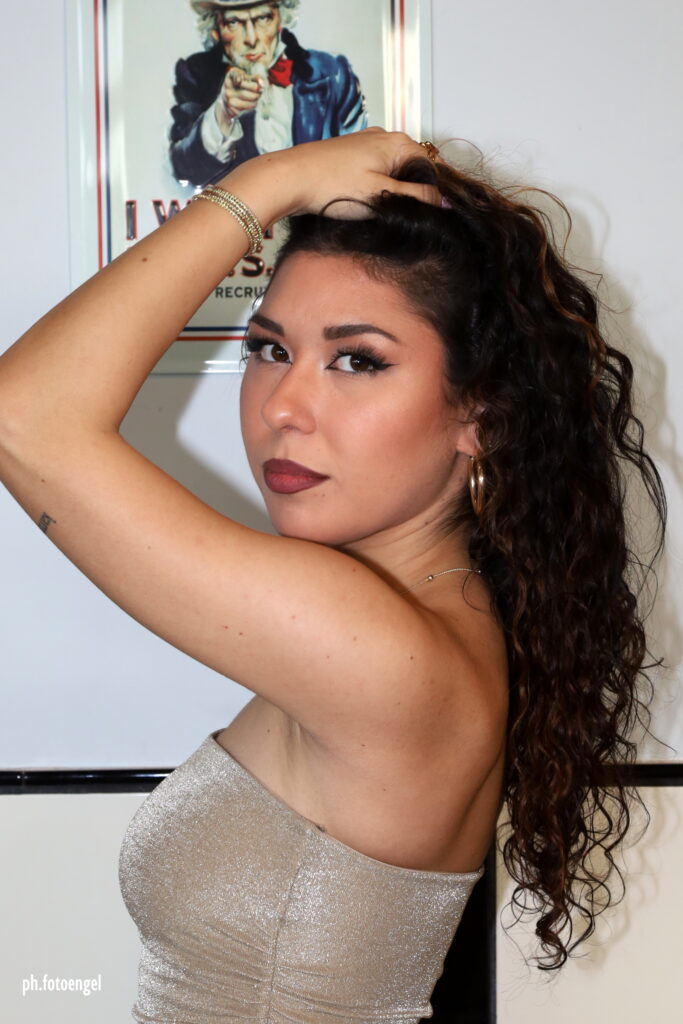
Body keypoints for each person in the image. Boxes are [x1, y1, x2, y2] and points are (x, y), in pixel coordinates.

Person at [0, 129, 666, 1020]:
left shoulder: (376, 645)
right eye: (270, 349)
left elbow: (23, 418)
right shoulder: (420, 614)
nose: (284, 407)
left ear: (480, 413)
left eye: (357, 360)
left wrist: (266, 182)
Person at [170, 0, 368, 186]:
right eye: (234, 22)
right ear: (216, 30)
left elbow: (358, 163)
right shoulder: (195, 74)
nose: (251, 39)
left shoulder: (332, 73)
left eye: (263, 18)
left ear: (281, 19)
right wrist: (222, 113)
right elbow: (185, 170)